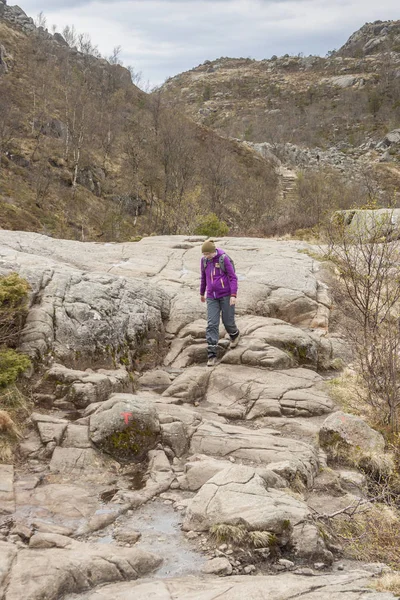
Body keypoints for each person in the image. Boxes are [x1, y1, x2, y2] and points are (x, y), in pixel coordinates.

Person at [200, 240, 240, 366]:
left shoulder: (223, 259)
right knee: (212, 323)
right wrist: (202, 293)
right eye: (204, 254)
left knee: (228, 322)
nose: (206, 256)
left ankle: (234, 334)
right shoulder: (204, 261)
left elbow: (233, 277)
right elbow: (203, 277)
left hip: (226, 295)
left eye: (208, 254)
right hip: (212, 297)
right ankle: (212, 354)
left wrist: (233, 295)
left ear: (213, 251)